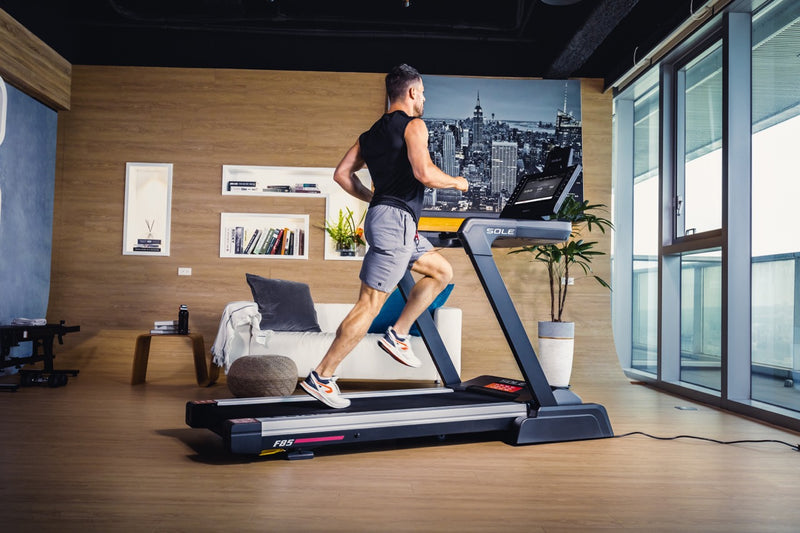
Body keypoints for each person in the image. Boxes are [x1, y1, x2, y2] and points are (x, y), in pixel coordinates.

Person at [301, 64, 469, 409]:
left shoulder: (370, 135)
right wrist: (457, 181)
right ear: (410, 92)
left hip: (394, 219)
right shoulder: (414, 125)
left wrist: (373, 199)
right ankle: (322, 375)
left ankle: (398, 333)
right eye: (422, 92)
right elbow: (424, 173)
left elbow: (342, 175)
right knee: (370, 303)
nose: (423, 98)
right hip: (396, 222)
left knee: (442, 272)